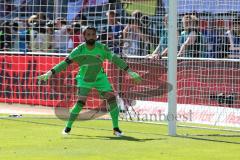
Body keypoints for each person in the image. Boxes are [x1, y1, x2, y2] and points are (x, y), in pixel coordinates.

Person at [37, 26, 142, 136]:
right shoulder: (79, 50)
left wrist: (129, 71)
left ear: (96, 35)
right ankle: (68, 127)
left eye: (93, 34)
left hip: (100, 78)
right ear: (84, 36)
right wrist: (50, 72)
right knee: (81, 102)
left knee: (111, 99)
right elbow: (65, 63)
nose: (91, 37)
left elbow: (116, 59)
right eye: (88, 35)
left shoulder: (102, 48)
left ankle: (116, 129)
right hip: (84, 78)